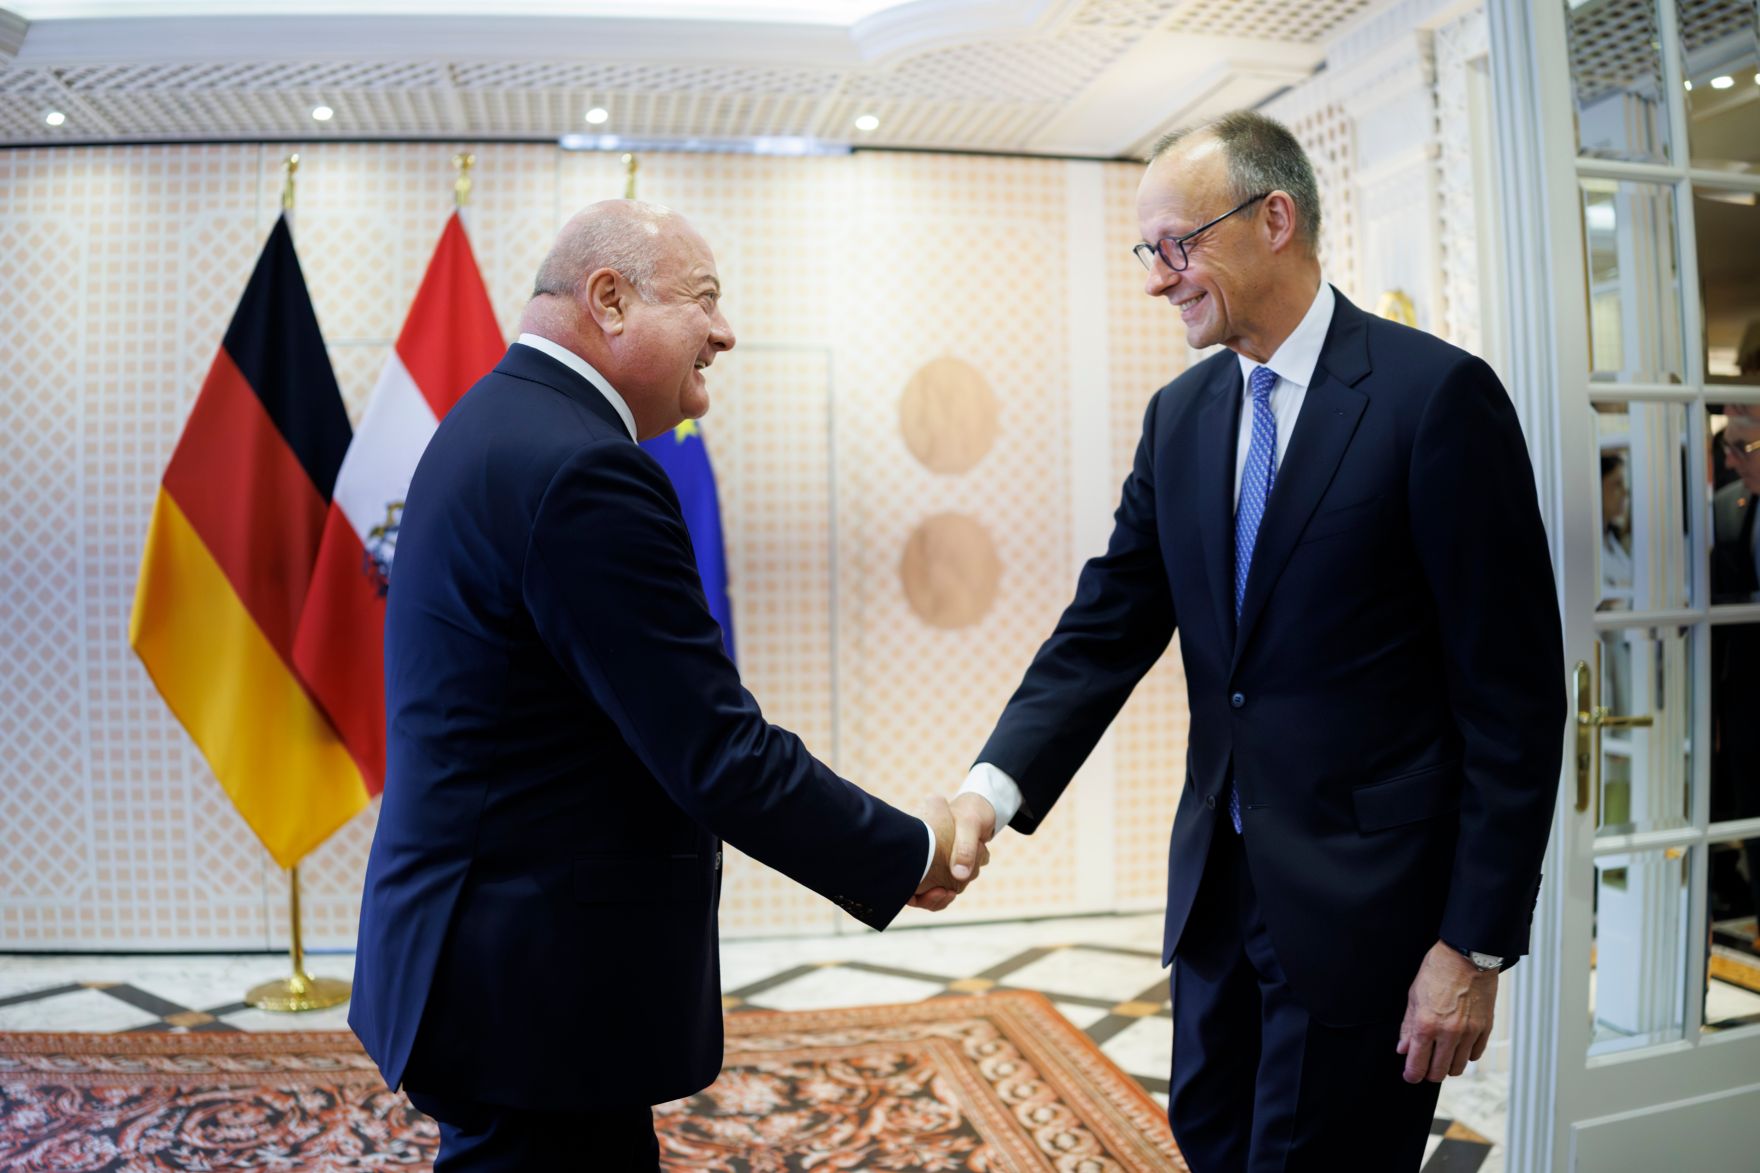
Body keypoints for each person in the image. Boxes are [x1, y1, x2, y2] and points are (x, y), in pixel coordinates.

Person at [932, 112, 1565, 1170]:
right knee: (1217, 1145)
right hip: (1216, 911)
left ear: (1274, 219)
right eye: (1148, 252)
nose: (1156, 279)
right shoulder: (1180, 417)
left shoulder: (1432, 399)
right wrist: (986, 790)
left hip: (1373, 924)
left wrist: (1473, 944)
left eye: (1176, 245)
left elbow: (1510, 698)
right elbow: (1102, 629)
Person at [350, 200, 979, 1172]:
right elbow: (714, 750)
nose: (726, 333)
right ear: (607, 299)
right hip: (527, 988)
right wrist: (909, 849)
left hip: (497, 966)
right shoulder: (580, 469)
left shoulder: (498, 422)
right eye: (705, 301)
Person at [1711, 406, 1760, 941]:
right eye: (1728, 447)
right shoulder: (1727, 508)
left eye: (1744, 448)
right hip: (1747, 709)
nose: (1731, 461)